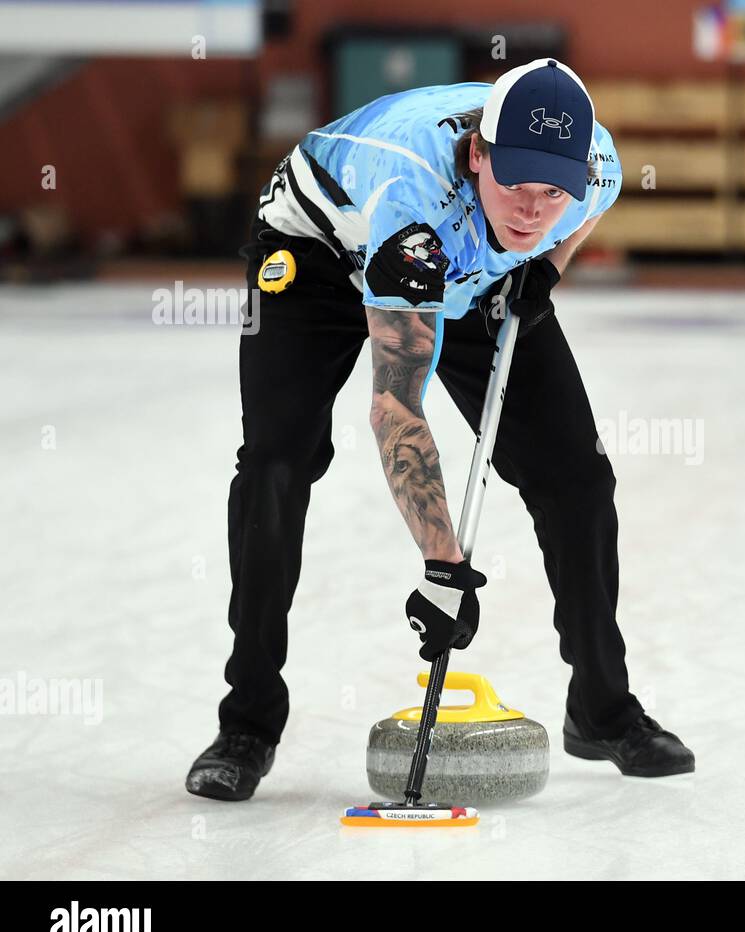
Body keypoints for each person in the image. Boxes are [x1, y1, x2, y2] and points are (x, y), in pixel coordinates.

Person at [186, 58, 694, 802]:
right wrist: (443, 564)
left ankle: (602, 706)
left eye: (551, 193)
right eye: (514, 184)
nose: (531, 209)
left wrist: (547, 267)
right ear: (478, 154)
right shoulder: (410, 195)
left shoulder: (595, 164)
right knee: (277, 463)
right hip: (320, 250)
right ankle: (248, 721)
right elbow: (397, 405)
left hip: (462, 263)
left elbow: (580, 210)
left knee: (575, 475)